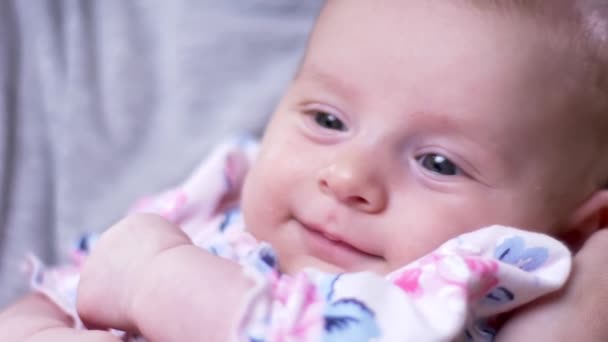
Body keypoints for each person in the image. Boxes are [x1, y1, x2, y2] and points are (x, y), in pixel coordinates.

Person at [2, 0, 608, 340]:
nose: (346, 178)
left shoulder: (460, 290)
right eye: (326, 119)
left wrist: (155, 282)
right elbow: (68, 285)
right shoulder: (225, 189)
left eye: (438, 163)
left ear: (575, 230)